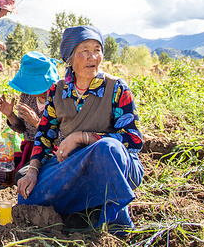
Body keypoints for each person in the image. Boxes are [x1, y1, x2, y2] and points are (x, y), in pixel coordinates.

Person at [16, 25, 144, 233]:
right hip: (76, 165)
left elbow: (133, 140)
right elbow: (44, 137)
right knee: (27, 196)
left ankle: (117, 220)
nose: (92, 56)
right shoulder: (58, 91)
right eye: (84, 50)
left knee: (107, 149)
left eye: (97, 49)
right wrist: (32, 171)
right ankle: (88, 209)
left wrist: (82, 137)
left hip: (117, 164)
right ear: (70, 58)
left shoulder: (117, 88)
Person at [0, 51, 59, 172]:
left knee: (21, 175)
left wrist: (38, 123)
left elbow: (63, 138)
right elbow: (22, 128)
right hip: (29, 150)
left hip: (50, 152)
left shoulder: (59, 97)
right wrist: (10, 115)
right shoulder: (27, 95)